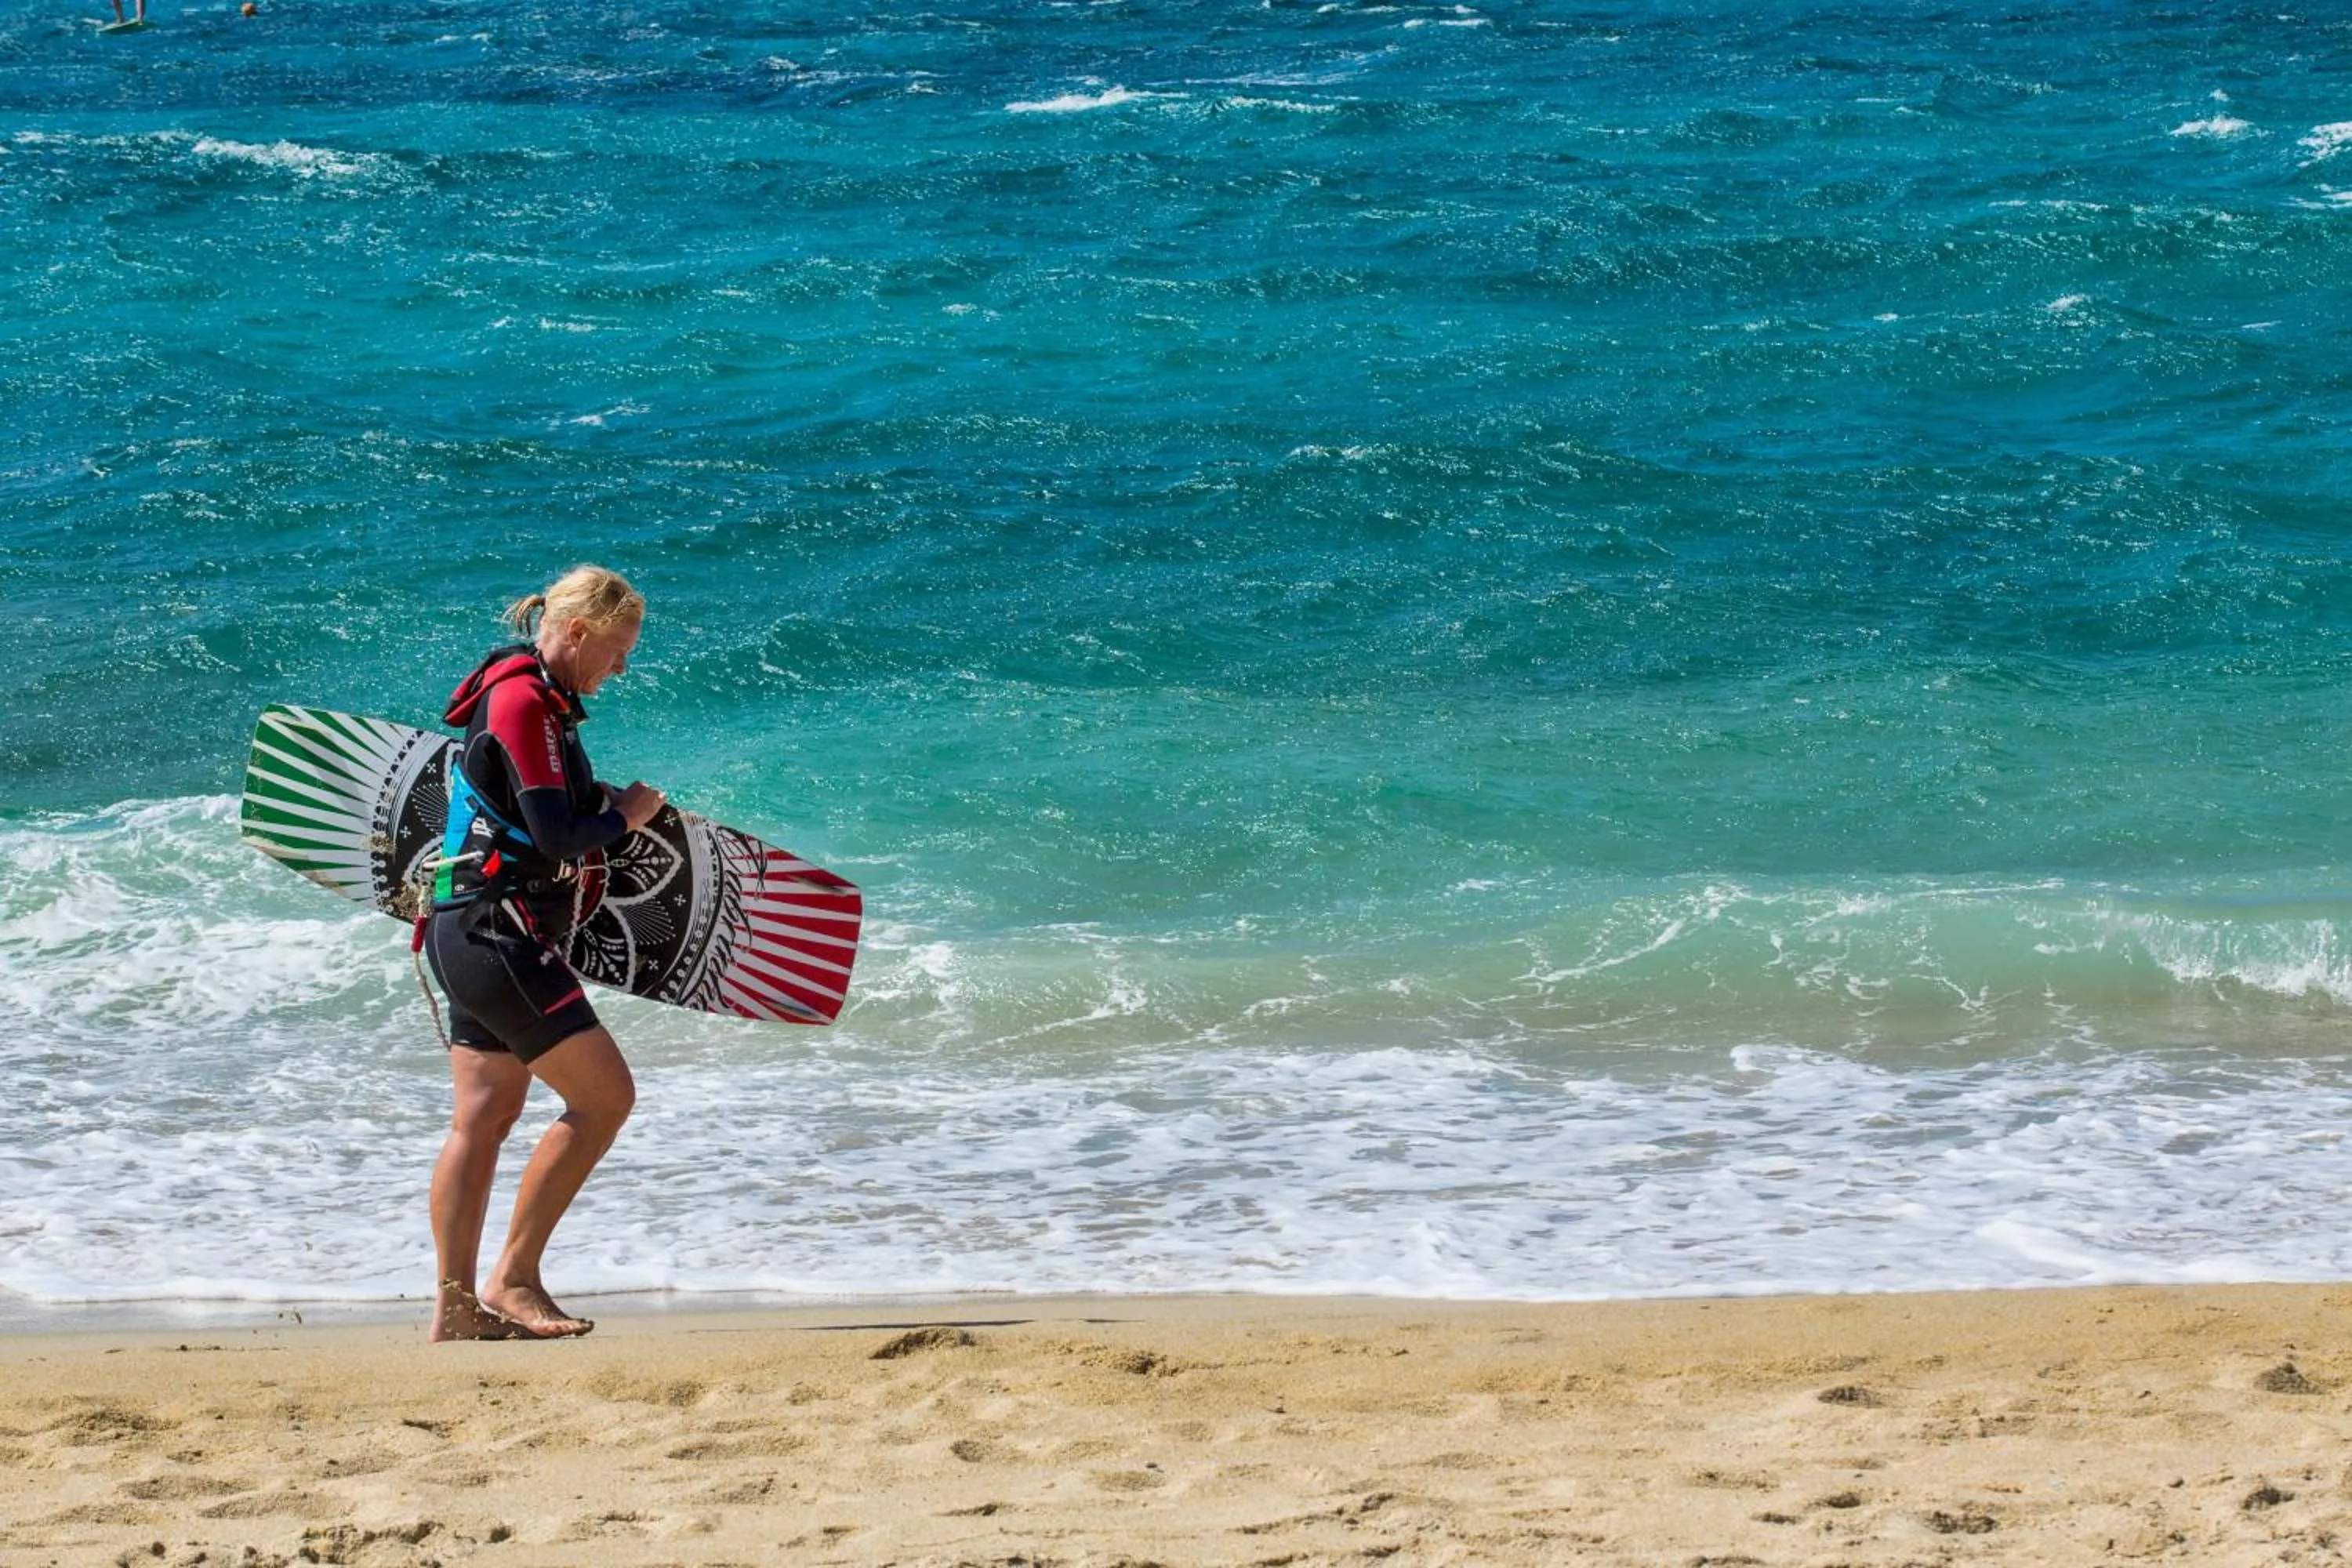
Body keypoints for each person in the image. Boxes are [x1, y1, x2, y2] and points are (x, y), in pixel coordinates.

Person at [420, 564, 666, 1341]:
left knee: (483, 1116)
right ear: (577, 632)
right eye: (618, 648)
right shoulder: (524, 700)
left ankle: (456, 1307)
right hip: (499, 933)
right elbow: (556, 835)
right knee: (605, 1098)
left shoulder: (536, 700)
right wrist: (625, 816)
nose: (622, 666)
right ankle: (513, 1279)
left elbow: (537, 814)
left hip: (465, 927)